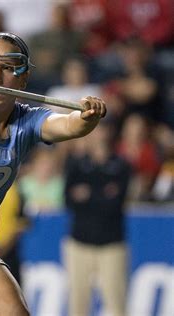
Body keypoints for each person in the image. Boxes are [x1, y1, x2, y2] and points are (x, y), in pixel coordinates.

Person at [0, 32, 107, 315]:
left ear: (24, 78)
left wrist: (86, 117)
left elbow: (68, 125)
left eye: (8, 68)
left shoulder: (26, 120)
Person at [63, 120, 131, 316]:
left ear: (109, 132)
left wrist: (87, 194)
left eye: (102, 128)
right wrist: (102, 193)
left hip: (111, 245)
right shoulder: (76, 164)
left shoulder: (121, 165)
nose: (98, 134)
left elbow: (116, 203)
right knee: (78, 304)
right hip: (79, 244)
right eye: (94, 129)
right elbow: (68, 200)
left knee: (116, 304)